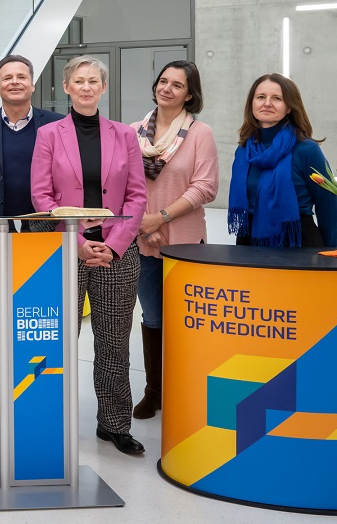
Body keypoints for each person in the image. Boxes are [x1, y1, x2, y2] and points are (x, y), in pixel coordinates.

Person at [31, 55, 147, 456]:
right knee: (59, 341)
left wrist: (113, 244)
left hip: (117, 251)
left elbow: (137, 195)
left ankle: (114, 423)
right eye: (78, 80)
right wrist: (78, 242)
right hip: (66, 249)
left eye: (93, 81)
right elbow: (42, 196)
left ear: (102, 87)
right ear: (66, 87)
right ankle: (51, 422)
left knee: (114, 342)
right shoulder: (49, 134)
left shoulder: (124, 135)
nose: (85, 87)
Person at [0, 55, 63, 416]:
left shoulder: (57, 125)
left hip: (43, 232)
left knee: (42, 313)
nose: (14, 82)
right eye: (6, 77)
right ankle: (3, 382)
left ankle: (40, 382)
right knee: (5, 311)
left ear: (32, 83)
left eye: (21, 76)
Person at [132, 61, 217, 420]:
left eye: (177, 85)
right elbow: (122, 184)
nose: (167, 88)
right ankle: (155, 392)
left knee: (185, 320)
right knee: (152, 317)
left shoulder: (200, 134)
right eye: (163, 81)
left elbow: (205, 187)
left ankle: (188, 390)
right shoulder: (133, 131)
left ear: (190, 94)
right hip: (142, 240)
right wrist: (143, 224)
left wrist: (161, 217)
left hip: (182, 241)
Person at [228, 73, 337, 248]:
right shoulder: (243, 151)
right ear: (252, 103)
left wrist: (331, 253)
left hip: (297, 241)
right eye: (260, 97)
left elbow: (328, 207)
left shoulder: (307, 149)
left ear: (289, 107)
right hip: (249, 241)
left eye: (277, 98)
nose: (267, 103)